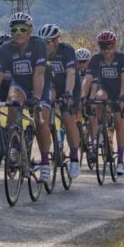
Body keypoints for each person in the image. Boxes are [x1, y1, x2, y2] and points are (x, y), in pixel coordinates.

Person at [0, 12, 53, 182]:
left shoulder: (38, 45)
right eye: (14, 29)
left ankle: (46, 163)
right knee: (13, 103)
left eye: (22, 29)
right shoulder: (6, 49)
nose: (18, 33)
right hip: (20, 85)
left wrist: (37, 98)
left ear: (30, 31)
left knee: (41, 122)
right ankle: (15, 145)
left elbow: (39, 73)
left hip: (41, 85)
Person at [81, 31, 124, 174]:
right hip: (104, 89)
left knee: (118, 121)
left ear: (114, 46)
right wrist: (83, 97)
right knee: (98, 98)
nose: (106, 51)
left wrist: (121, 98)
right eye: (103, 47)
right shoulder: (96, 59)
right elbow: (88, 78)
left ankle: (120, 160)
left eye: (109, 47)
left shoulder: (122, 58)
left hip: (119, 90)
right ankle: (101, 130)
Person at [39, 23, 81, 179]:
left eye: (47, 42)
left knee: (67, 117)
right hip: (53, 85)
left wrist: (69, 93)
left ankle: (75, 158)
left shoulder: (66, 50)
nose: (45, 45)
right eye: (42, 42)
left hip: (70, 86)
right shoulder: (41, 52)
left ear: (56, 41)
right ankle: (46, 155)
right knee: (44, 108)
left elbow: (71, 73)